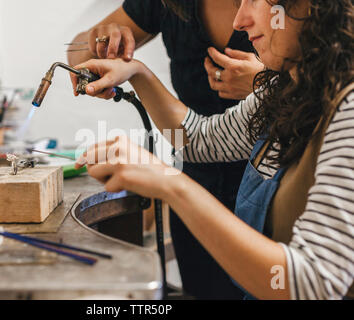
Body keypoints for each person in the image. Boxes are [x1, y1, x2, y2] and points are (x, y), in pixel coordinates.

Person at [73, 0, 354, 299]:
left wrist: (171, 183)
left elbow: (315, 284)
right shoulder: (287, 87)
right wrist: (137, 73)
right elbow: (200, 141)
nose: (239, 21)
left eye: (254, 0)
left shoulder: (347, 110)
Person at [68, 0, 264, 299]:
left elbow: (308, 280)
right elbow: (199, 140)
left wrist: (264, 83)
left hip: (267, 191)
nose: (241, 20)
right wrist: (118, 55)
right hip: (199, 176)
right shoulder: (166, 4)